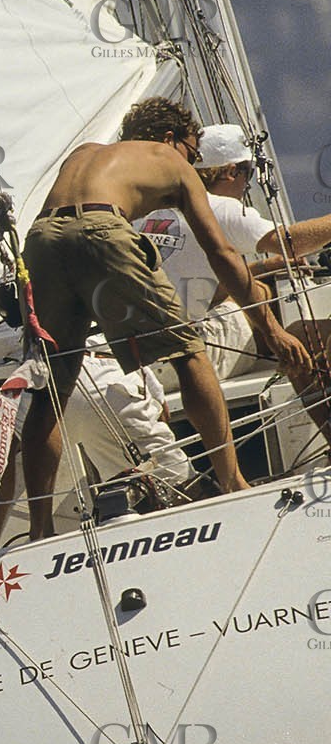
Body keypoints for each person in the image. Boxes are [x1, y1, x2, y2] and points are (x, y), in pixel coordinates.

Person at [18, 98, 310, 540]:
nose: (193, 161)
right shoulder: (168, 161)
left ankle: (40, 531)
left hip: (41, 238)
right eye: (193, 152)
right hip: (103, 228)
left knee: (52, 390)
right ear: (171, 140)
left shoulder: (83, 153)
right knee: (189, 355)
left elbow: (68, 230)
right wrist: (270, 329)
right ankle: (233, 483)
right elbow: (223, 255)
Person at [0, 279, 192, 550]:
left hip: (52, 391)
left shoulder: (25, 322)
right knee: (175, 481)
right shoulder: (103, 316)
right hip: (114, 385)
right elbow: (160, 406)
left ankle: (3, 546)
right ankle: (192, 524)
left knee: (2, 459)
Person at [135, 124, 331, 451]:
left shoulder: (147, 212)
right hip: (186, 357)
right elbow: (289, 243)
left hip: (137, 363)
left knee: (252, 293)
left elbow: (195, 286)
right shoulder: (219, 208)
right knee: (302, 333)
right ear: (230, 171)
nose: (246, 185)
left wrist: (260, 268)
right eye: (248, 173)